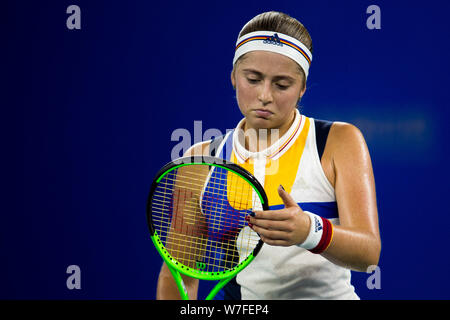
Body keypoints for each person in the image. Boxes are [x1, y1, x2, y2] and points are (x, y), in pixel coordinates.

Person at [156, 11, 381, 300]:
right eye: (253, 78)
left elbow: (368, 253)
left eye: (282, 84)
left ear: (302, 89)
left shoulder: (339, 141)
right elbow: (178, 275)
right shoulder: (200, 160)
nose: (265, 95)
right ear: (234, 77)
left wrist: (309, 232)